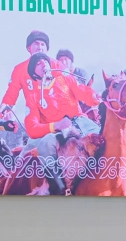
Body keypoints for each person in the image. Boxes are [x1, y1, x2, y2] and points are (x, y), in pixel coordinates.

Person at [20, 52, 102, 194]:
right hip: (58, 132)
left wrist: (94, 96)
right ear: (34, 73)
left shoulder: (65, 79)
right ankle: (60, 189)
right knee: (46, 144)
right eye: (38, 64)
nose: (43, 64)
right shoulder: (32, 97)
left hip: (82, 122)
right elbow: (31, 128)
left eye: (45, 61)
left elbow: (83, 92)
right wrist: (55, 125)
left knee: (106, 136)